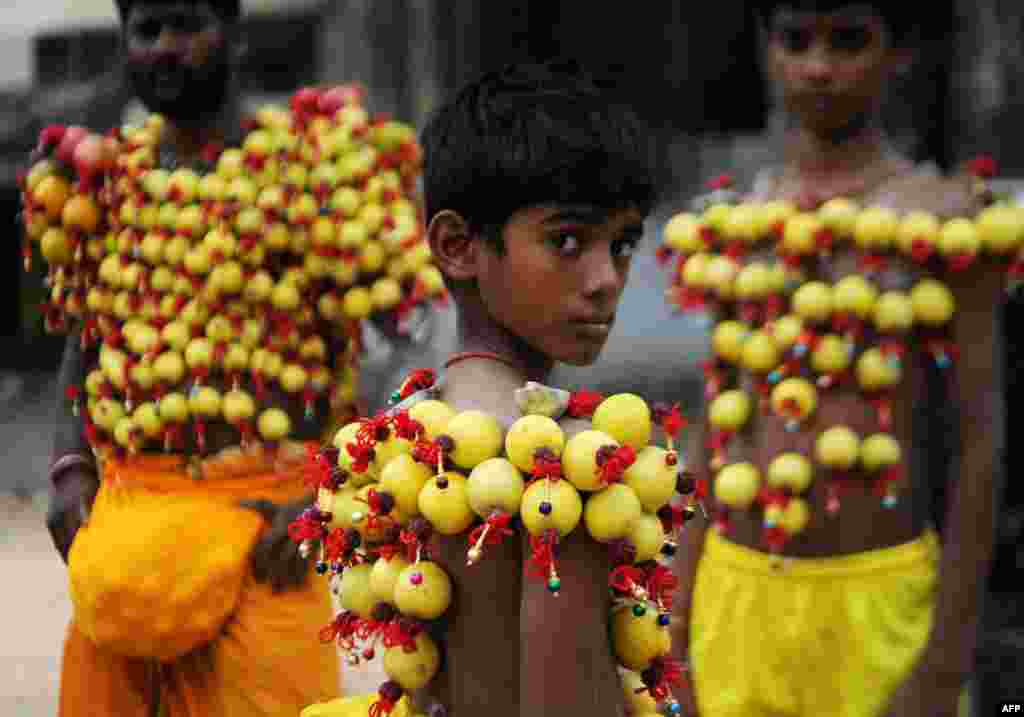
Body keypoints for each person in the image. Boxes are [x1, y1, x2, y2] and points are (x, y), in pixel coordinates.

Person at [34, 0, 434, 714]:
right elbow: (85, 335)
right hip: (128, 539)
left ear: (236, 35)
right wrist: (69, 466)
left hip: (266, 535)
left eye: (187, 25)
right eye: (147, 30)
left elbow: (405, 341)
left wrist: (327, 494)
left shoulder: (315, 166)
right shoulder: (102, 180)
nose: (166, 48)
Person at [664, 3, 1004, 716]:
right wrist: (674, 626)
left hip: (881, 603)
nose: (818, 66)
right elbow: (713, 429)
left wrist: (943, 664)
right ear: (768, 49)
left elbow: (980, 446)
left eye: (849, 40)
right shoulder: (740, 221)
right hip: (733, 594)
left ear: (898, 52)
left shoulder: (944, 219)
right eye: (796, 40)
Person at [300, 59, 660, 717]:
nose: (606, 277)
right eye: (569, 239)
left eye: (623, 244)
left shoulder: (410, 431)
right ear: (459, 246)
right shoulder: (559, 470)